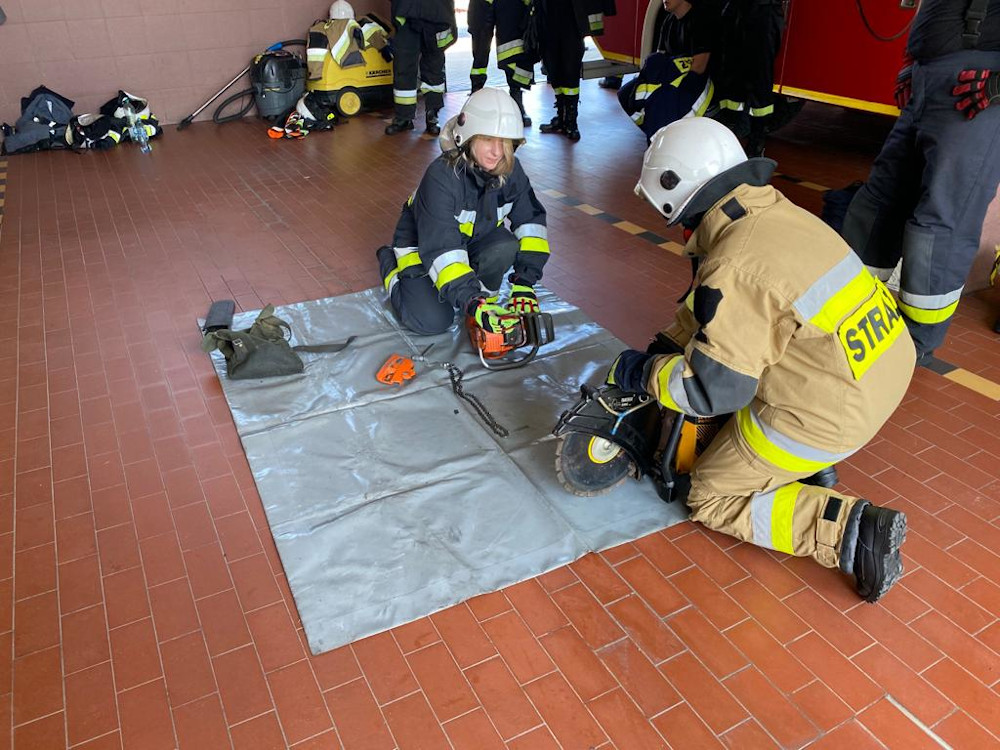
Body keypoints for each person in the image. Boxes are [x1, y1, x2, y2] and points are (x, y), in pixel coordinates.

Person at [606, 117, 915, 602]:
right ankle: (807, 470)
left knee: (710, 494)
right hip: (883, 369)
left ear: (674, 193)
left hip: (830, 413)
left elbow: (710, 390)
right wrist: (669, 342)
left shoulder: (734, 261)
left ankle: (851, 533)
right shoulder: (772, 214)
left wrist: (643, 371)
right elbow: (725, 310)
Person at [841, 0, 1000, 364]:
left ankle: (915, 344)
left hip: (976, 89)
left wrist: (996, 86)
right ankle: (850, 308)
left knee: (940, 224)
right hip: (928, 78)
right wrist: (910, 65)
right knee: (878, 202)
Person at [376, 87, 549, 335]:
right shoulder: (442, 177)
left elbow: (531, 223)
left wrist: (525, 282)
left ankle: (478, 298)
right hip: (424, 247)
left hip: (468, 241)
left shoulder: (511, 171)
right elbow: (442, 248)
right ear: (467, 138)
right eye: (488, 139)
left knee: (504, 246)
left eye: (505, 142)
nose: (497, 152)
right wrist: (472, 301)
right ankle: (391, 264)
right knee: (432, 320)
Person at [617, 0, 721, 141]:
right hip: (672, 77)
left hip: (697, 82)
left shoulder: (700, 20)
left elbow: (699, 67)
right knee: (626, 94)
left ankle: (663, 140)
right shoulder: (668, 21)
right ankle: (653, 130)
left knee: (661, 102)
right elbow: (660, 57)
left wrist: (669, 90)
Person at [714, 0, 785, 156]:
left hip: (763, 11)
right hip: (736, 9)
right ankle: (730, 130)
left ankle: (757, 140)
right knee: (731, 76)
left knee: (760, 80)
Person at [538, 0, 617, 141]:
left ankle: (571, 122)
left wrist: (608, 7)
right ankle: (561, 118)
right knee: (554, 71)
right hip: (548, 21)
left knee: (570, 72)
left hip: (572, 23)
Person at [385, 0, 458, 136]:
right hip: (407, 13)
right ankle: (403, 117)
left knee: (434, 68)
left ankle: (432, 114)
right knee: (403, 67)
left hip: (437, 13)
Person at [468, 0, 535, 125]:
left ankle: (516, 101)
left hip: (511, 4)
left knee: (514, 51)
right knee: (479, 52)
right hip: (482, 4)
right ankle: (475, 97)